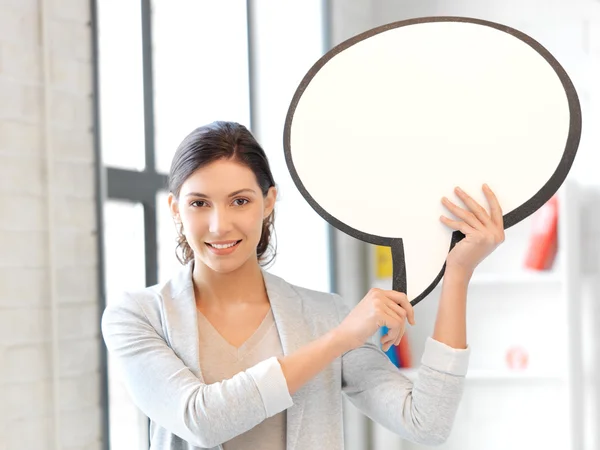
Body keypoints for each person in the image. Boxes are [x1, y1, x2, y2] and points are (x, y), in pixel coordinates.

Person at [101, 121, 505, 450]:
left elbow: (427, 423)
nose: (219, 224)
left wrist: (457, 274)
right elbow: (202, 420)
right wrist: (338, 340)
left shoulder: (325, 314)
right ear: (175, 208)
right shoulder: (138, 317)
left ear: (269, 201)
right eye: (199, 203)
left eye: (240, 201)